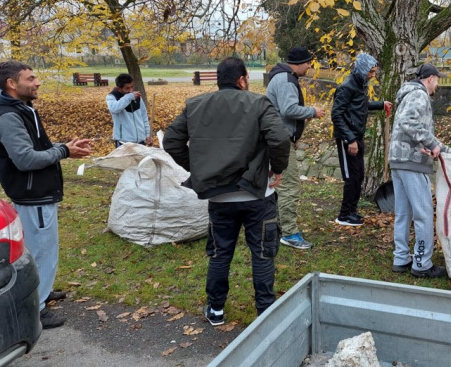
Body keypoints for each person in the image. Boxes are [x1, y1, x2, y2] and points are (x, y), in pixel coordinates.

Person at [163, 57, 290, 326]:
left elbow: (172, 141)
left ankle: (216, 309)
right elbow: (279, 138)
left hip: (220, 197)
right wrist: (277, 169)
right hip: (258, 195)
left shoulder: (195, 105)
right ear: (242, 79)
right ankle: (265, 313)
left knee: (221, 253)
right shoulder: (258, 103)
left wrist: (199, 168)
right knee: (263, 253)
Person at [0, 61, 93, 329]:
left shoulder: (21, 109)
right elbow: (25, 159)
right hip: (33, 195)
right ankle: (36, 306)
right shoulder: (9, 115)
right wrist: (64, 152)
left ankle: (39, 291)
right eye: (31, 78)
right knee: (42, 251)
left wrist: (62, 146)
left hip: (36, 192)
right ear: (12, 83)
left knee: (38, 250)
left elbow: (36, 146)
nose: (37, 82)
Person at [389, 64, 451, 278]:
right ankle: (422, 263)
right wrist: (432, 143)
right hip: (412, 162)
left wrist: (441, 148)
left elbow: (410, 125)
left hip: (398, 160)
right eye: (437, 79)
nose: (438, 84)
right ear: (431, 78)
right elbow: (409, 121)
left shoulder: (407, 94)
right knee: (423, 213)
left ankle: (401, 257)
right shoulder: (419, 95)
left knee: (403, 213)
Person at [266, 46, 325, 250]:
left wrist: (294, 134)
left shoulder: (285, 77)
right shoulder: (285, 80)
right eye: (308, 62)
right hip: (278, 142)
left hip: (281, 139)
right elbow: (288, 109)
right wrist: (312, 111)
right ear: (298, 63)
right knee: (290, 185)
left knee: (282, 185)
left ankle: (280, 227)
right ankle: (290, 233)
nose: (309, 66)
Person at [331, 52, 392, 226]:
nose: (372, 75)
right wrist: (350, 140)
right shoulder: (347, 87)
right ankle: (343, 215)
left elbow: (361, 105)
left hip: (357, 136)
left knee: (358, 176)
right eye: (370, 72)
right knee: (351, 178)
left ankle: (352, 211)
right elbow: (336, 115)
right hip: (347, 139)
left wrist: (381, 104)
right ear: (362, 69)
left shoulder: (361, 85)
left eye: (374, 72)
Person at [106, 73, 153, 147]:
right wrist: (128, 97)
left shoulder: (137, 97)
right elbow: (114, 109)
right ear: (119, 88)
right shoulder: (112, 96)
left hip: (140, 141)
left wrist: (147, 134)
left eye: (132, 87)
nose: (131, 90)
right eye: (127, 88)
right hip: (124, 142)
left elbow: (144, 116)